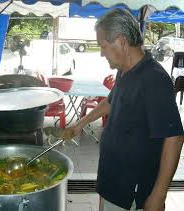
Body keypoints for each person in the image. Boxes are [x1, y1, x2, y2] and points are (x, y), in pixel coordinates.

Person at [65, 8, 184, 211]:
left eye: (103, 46)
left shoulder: (154, 79)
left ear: (120, 42)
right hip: (112, 180)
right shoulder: (125, 70)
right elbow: (111, 101)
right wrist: (79, 124)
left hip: (132, 189)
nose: (102, 53)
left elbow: (174, 137)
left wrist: (158, 195)